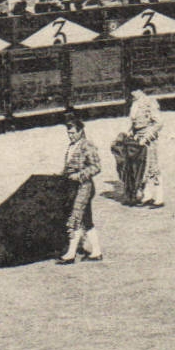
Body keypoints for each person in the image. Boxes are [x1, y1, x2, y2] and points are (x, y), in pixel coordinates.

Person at [57, 112, 103, 264]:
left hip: (84, 187)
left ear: (80, 131)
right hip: (72, 187)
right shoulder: (72, 146)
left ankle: (70, 254)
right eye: (68, 133)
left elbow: (96, 167)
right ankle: (96, 251)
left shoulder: (87, 145)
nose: (70, 136)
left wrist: (79, 175)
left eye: (72, 133)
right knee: (86, 220)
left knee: (75, 217)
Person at [126, 86, 165, 207]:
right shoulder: (135, 103)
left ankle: (159, 197)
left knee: (153, 167)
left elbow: (159, 123)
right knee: (143, 168)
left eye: (133, 90)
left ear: (139, 90)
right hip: (138, 138)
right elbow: (135, 123)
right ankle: (147, 196)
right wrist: (131, 131)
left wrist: (147, 137)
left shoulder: (149, 102)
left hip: (148, 139)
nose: (132, 93)